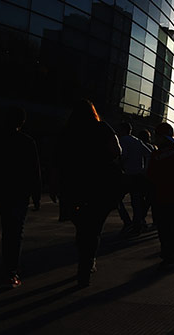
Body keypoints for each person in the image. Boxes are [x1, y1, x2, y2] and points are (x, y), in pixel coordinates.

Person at [57, 99, 121, 286]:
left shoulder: (67, 131)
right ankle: (87, 263)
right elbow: (117, 151)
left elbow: (57, 159)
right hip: (99, 186)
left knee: (81, 226)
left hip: (74, 186)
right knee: (94, 228)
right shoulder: (102, 128)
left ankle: (84, 258)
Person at [0, 106, 41, 288]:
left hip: (5, 191)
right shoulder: (27, 142)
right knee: (16, 232)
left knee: (7, 231)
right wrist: (36, 196)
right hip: (20, 193)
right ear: (22, 122)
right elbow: (34, 171)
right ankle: (11, 271)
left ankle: (7, 268)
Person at [147, 123, 174, 268]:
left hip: (159, 194)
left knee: (162, 225)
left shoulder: (156, 155)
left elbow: (151, 175)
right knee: (172, 223)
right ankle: (173, 251)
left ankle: (166, 251)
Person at [116, 122, 151, 236]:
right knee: (136, 202)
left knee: (116, 198)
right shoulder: (137, 141)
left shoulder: (122, 140)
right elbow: (149, 154)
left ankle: (127, 220)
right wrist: (144, 169)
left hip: (127, 174)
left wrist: (120, 163)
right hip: (138, 174)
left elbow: (123, 155)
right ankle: (137, 224)